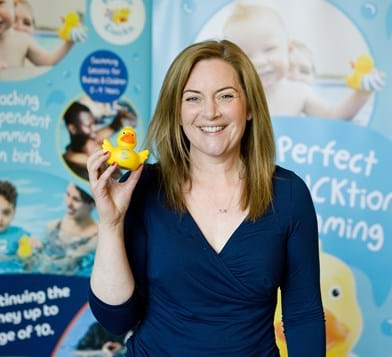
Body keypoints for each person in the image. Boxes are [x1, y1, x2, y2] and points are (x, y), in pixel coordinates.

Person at [87, 39, 325, 355]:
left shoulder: (288, 194)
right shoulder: (143, 187)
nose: (210, 113)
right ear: (178, 111)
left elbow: (303, 317)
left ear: (250, 107)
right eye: (193, 98)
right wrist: (111, 223)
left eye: (225, 96)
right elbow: (115, 320)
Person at [223, 3, 381, 119]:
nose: (259, 62)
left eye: (269, 49)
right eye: (246, 55)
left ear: (288, 50)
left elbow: (334, 118)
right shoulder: (233, 98)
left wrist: (362, 93)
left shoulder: (298, 93)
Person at [31, 183, 97, 275]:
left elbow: (68, 264)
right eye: (68, 194)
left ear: (92, 204)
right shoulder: (54, 226)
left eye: (76, 199)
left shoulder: (96, 238)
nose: (68, 203)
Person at [62, 101, 137, 181]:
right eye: (89, 126)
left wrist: (121, 117)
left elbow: (114, 126)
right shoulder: (74, 161)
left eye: (94, 123)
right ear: (73, 129)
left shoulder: (87, 138)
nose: (94, 130)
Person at [0, 0, 85, 70]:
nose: (19, 27)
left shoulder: (24, 41)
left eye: (0, 3)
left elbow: (49, 62)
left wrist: (69, 42)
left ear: (13, 6)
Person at [0, 180, 37, 272]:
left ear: (14, 213)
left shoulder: (19, 235)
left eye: (6, 212)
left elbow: (28, 263)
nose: (0, 218)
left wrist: (34, 245)